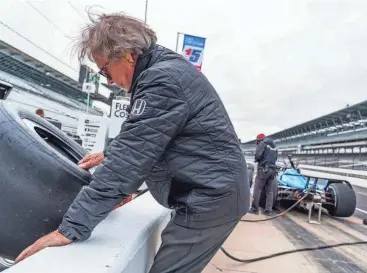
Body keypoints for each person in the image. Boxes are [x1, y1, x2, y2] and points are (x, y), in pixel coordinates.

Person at [15, 12, 250, 273]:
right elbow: (149, 135)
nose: (109, 81)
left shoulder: (162, 80)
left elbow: (130, 158)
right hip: (210, 192)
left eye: (105, 70)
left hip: (209, 199)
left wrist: (71, 228)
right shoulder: (164, 70)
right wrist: (110, 152)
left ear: (126, 55)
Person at [248, 133, 278, 216]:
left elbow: (258, 155)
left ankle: (254, 209)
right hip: (273, 170)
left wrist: (257, 159)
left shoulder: (262, 143)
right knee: (270, 191)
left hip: (264, 169)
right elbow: (275, 157)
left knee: (257, 189)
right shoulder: (274, 145)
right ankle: (268, 211)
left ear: (259, 139)